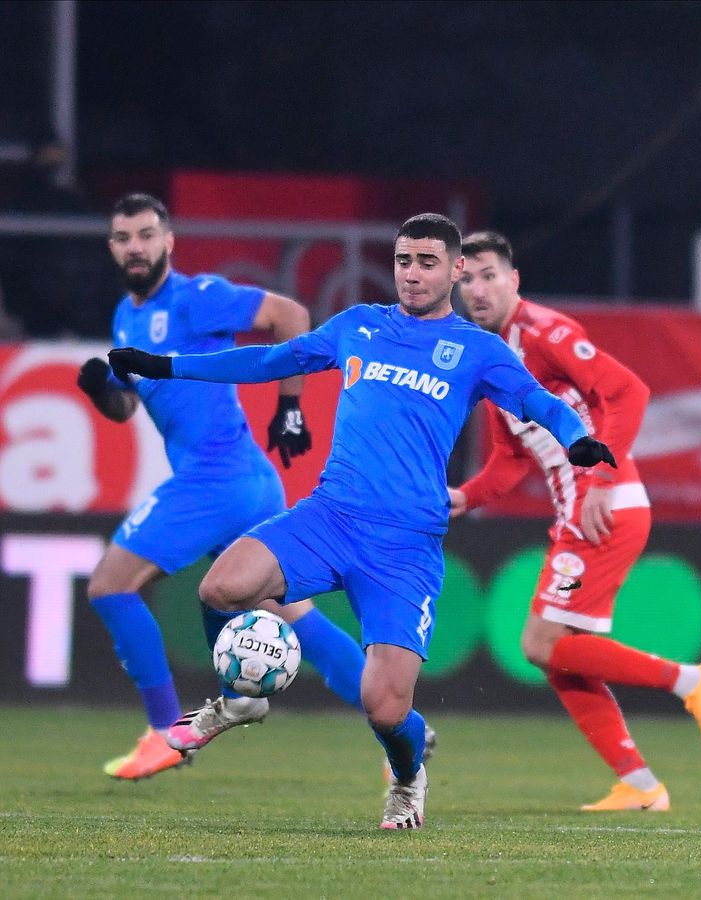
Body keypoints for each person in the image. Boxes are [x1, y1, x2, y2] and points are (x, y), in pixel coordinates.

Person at [108, 213, 617, 830]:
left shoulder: (478, 350)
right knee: (220, 586)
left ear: (455, 269)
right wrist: (167, 366)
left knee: (383, 708)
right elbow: (272, 360)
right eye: (404, 261)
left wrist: (578, 439)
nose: (412, 274)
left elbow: (537, 402)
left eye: (428, 262)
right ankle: (241, 700)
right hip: (331, 517)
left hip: (404, 548)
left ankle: (407, 779)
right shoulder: (359, 326)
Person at [79, 192, 367, 780]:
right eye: (123, 237)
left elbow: (290, 316)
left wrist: (292, 407)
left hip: (216, 476)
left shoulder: (196, 296)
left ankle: (165, 731)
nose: (135, 247)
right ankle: (401, 721)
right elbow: (126, 402)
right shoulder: (126, 315)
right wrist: (98, 390)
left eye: (145, 234)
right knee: (286, 610)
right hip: (247, 481)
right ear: (112, 247)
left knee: (111, 586)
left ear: (169, 240)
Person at [452, 231, 701, 812]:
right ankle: (640, 783)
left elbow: (629, 391)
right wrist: (463, 498)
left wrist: (602, 481)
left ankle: (691, 682)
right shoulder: (492, 358)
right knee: (558, 653)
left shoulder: (545, 333)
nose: (477, 289)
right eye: (466, 279)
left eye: (488, 275)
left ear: (514, 279)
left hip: (603, 504)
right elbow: (508, 459)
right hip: (578, 510)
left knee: (541, 643)